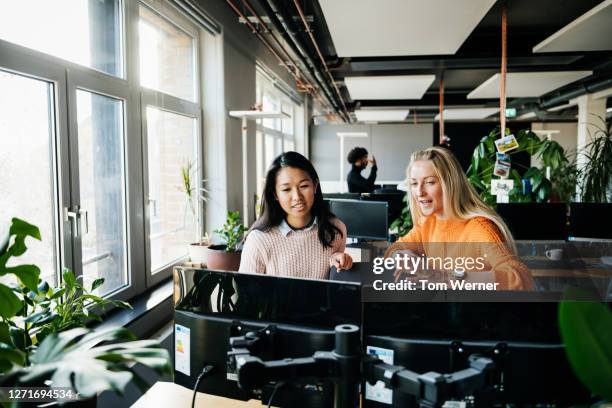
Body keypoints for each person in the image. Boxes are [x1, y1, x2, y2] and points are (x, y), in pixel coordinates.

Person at [388, 147, 534, 290]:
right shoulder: (428, 223)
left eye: (430, 182)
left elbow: (520, 277)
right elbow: (395, 249)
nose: (419, 192)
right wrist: (401, 256)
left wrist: (446, 277)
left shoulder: (479, 227)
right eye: (414, 183)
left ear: (449, 184)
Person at [239, 151, 353, 279]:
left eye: (304, 186)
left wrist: (339, 261)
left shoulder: (335, 230)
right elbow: (247, 294)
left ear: (315, 186)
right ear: (275, 194)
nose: (297, 197)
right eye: (286, 189)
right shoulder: (259, 239)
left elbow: (333, 281)